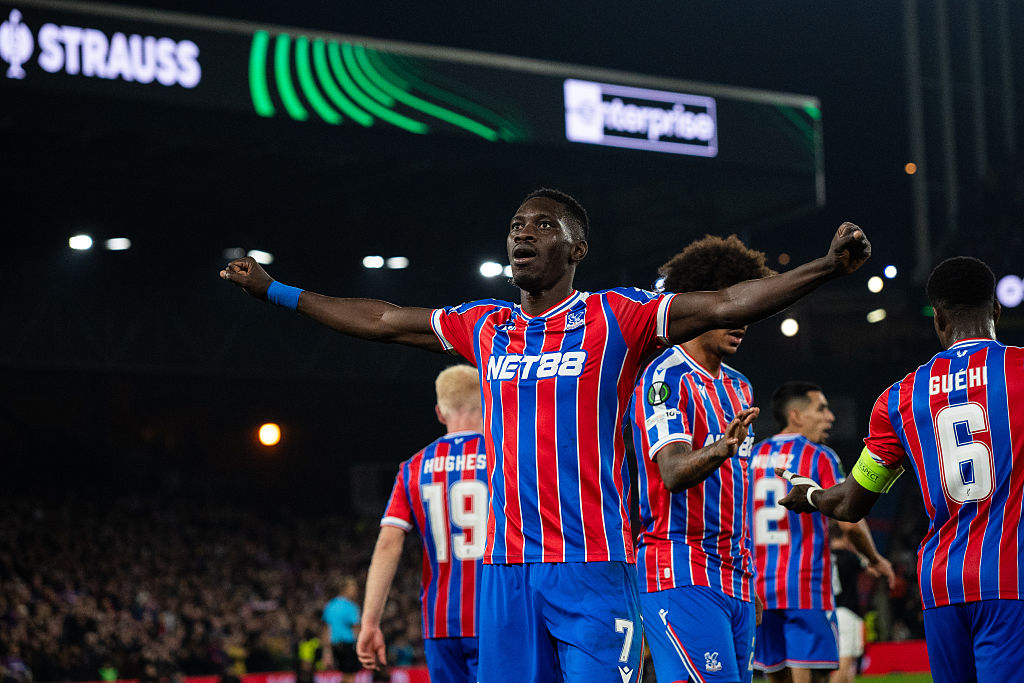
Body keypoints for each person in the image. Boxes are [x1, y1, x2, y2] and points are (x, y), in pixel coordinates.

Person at [221, 188, 871, 682]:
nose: (521, 233)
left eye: (541, 225)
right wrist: (277, 291)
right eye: (514, 226)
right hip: (504, 573)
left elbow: (729, 301)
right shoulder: (486, 325)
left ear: (575, 249)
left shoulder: (618, 316)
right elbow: (385, 317)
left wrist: (826, 267)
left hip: (593, 565)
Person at [776, 256, 1024, 683]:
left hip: (942, 585)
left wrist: (812, 495)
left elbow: (852, 503)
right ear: (997, 310)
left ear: (939, 318)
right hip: (1012, 578)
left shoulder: (899, 399)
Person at [629, 234, 772, 683]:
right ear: (700, 307)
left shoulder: (740, 386)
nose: (742, 321)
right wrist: (721, 448)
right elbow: (672, 472)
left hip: (737, 574)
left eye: (747, 310)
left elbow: (737, 490)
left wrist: (751, 574)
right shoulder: (664, 375)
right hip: (680, 567)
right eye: (732, 309)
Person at [750, 381, 894, 682]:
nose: (830, 417)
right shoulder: (819, 456)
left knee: (777, 675)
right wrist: (875, 558)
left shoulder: (752, 457)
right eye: (821, 408)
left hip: (760, 588)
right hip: (805, 585)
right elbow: (849, 523)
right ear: (796, 415)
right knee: (810, 675)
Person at [358, 364, 487, 682]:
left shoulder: (413, 467)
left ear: (440, 413)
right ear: (488, 403)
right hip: (499, 616)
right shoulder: (506, 458)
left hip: (441, 620)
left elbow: (388, 543)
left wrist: (370, 623)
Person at [828, 521, 867, 683]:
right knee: (845, 663)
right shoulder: (849, 557)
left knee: (847, 670)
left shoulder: (824, 556)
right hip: (847, 612)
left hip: (828, 610)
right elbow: (870, 566)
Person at [322, 576, 361, 682]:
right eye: (353, 587)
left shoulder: (330, 605)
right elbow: (356, 629)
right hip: (348, 645)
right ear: (345, 588)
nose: (356, 590)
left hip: (335, 646)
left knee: (345, 676)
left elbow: (326, 630)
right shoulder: (351, 606)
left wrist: (327, 651)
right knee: (350, 677)